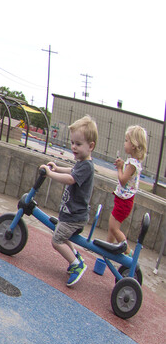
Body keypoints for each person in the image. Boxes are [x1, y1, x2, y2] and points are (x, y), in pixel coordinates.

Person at [40, 115, 97, 287]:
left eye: (78, 144)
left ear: (91, 146)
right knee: (62, 234)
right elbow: (72, 169)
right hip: (71, 214)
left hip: (75, 217)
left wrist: (50, 174)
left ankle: (76, 264)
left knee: (57, 240)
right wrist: (57, 167)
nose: (73, 147)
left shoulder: (87, 166)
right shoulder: (82, 163)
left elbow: (71, 178)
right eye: (72, 143)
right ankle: (76, 256)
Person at [106, 125, 147, 251]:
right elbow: (129, 175)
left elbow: (123, 180)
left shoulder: (132, 163)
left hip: (124, 202)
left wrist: (119, 168)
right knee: (111, 227)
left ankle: (127, 252)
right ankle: (105, 252)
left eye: (126, 140)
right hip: (123, 200)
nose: (124, 143)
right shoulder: (133, 162)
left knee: (114, 228)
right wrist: (123, 165)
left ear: (133, 145)